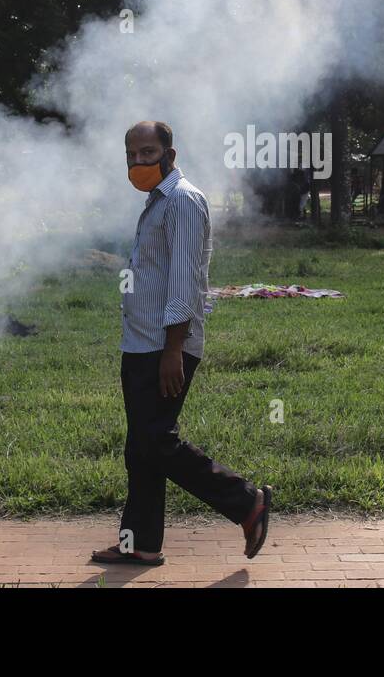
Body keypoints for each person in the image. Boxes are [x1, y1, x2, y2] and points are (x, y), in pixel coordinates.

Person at [91, 121, 273, 567]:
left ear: (170, 153)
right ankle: (141, 543)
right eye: (132, 155)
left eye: (148, 153)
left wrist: (174, 348)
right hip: (139, 343)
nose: (138, 163)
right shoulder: (156, 203)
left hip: (164, 345)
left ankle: (245, 501)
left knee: (155, 441)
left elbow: (185, 280)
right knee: (141, 448)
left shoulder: (184, 200)